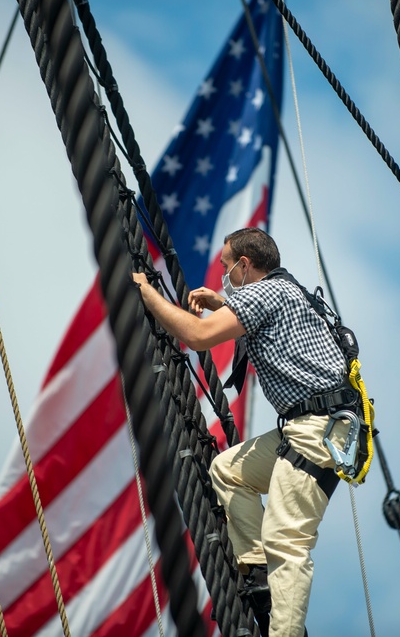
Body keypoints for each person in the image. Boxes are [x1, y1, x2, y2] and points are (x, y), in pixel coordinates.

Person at [132, 227, 350, 637]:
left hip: (317, 429)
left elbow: (196, 336)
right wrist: (225, 300)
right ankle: (259, 575)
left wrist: (147, 293)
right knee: (227, 470)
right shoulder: (287, 290)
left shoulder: (264, 294)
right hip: (316, 426)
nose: (222, 276)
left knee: (286, 539)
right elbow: (253, 313)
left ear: (245, 265)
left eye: (226, 267)